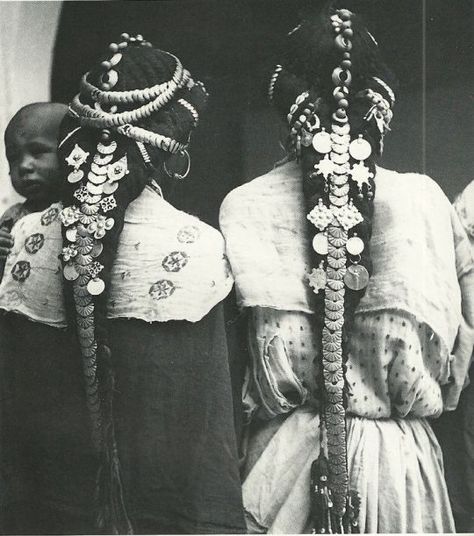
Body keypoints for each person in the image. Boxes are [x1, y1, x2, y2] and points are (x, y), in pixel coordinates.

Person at [219, 3, 474, 533]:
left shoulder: (244, 206)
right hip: (399, 467)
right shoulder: (426, 202)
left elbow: (230, 370)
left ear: (282, 103)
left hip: (280, 467)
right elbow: (457, 363)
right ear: (381, 105)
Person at [0, 34, 245, 534]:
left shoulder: (30, 239)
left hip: (50, 513)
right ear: (171, 148)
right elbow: (208, 441)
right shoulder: (196, 245)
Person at [0, 102, 67, 279]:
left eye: (37, 152)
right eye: (13, 158)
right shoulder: (12, 218)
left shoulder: (88, 209)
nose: (23, 166)